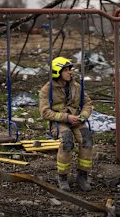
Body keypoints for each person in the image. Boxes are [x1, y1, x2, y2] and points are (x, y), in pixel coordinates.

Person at [38, 56, 93, 192]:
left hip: (76, 120)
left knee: (87, 139)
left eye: (70, 70)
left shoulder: (77, 87)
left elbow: (87, 103)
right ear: (57, 72)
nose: (70, 73)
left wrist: (83, 116)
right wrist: (66, 117)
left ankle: (82, 176)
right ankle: (62, 177)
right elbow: (45, 112)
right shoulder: (47, 90)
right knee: (67, 141)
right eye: (66, 70)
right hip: (58, 122)